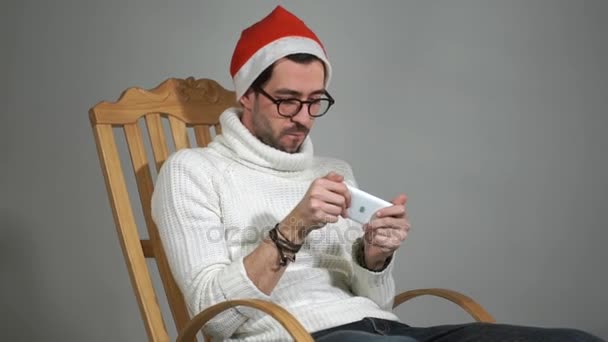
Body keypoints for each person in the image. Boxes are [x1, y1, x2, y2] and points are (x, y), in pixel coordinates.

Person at [151, 5, 603, 342]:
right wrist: (293, 227)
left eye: (316, 101)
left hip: (381, 329)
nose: (304, 117)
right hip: (292, 335)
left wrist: (373, 256)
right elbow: (213, 316)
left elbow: (379, 302)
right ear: (247, 95)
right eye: (288, 99)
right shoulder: (192, 172)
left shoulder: (333, 171)